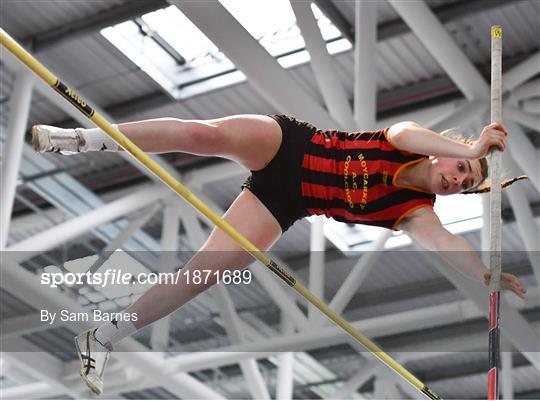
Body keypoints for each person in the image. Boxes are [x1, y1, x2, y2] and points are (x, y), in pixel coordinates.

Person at [32, 114, 526, 394]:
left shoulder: (415, 210)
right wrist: (480, 144)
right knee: (202, 136)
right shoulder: (409, 140)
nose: (458, 179)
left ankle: (104, 336)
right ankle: (77, 139)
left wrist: (484, 271)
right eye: (462, 168)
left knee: (202, 273)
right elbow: (403, 135)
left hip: (288, 202)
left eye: (465, 185)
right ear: (448, 154)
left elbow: (444, 242)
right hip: (290, 145)